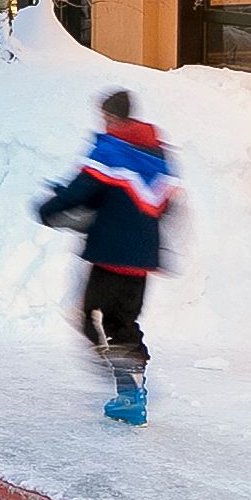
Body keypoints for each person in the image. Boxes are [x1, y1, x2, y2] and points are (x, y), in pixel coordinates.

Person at [37, 87, 178, 425]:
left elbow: (84, 188)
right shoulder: (157, 153)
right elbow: (163, 203)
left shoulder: (111, 148)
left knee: (88, 315)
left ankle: (128, 380)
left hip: (109, 254)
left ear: (112, 116)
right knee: (122, 320)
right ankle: (133, 382)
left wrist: (49, 207)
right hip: (142, 259)